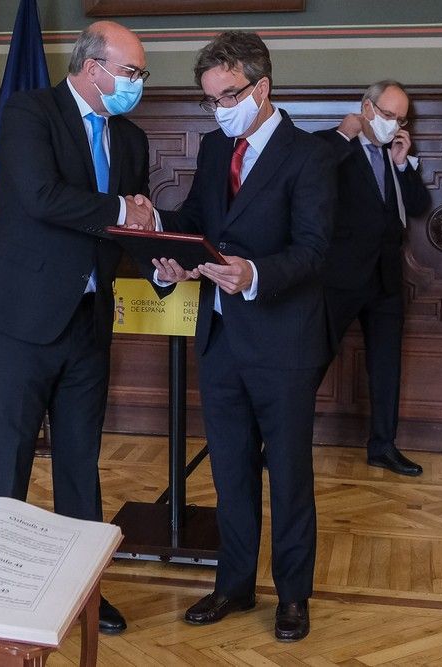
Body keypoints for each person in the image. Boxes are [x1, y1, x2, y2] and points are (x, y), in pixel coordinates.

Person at [0, 20, 157, 635]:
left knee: (81, 464)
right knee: (7, 463)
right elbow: (41, 196)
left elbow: (134, 224)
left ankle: (83, 593)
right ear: (92, 66)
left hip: (88, 320)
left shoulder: (130, 139)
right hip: (23, 320)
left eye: (141, 75)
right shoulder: (30, 113)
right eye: (131, 72)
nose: (137, 85)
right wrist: (120, 209)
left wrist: (164, 257)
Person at [153, 31, 335, 642]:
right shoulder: (213, 150)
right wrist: (163, 243)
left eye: (227, 96)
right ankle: (232, 584)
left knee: (287, 475)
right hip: (221, 342)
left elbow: (313, 252)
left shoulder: (310, 156)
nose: (218, 110)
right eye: (209, 100)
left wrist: (253, 273)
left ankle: (292, 596)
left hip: (283, 344)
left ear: (261, 88)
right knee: (230, 474)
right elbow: (195, 223)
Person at [314, 81, 432, 477]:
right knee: (311, 361)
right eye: (387, 114)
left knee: (386, 367)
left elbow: (416, 207)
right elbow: (310, 176)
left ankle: (383, 446)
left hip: (385, 280)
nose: (393, 123)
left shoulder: (394, 154)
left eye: (400, 118)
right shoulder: (335, 146)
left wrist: (402, 162)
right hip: (340, 277)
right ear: (367, 107)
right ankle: (274, 441)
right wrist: (343, 135)